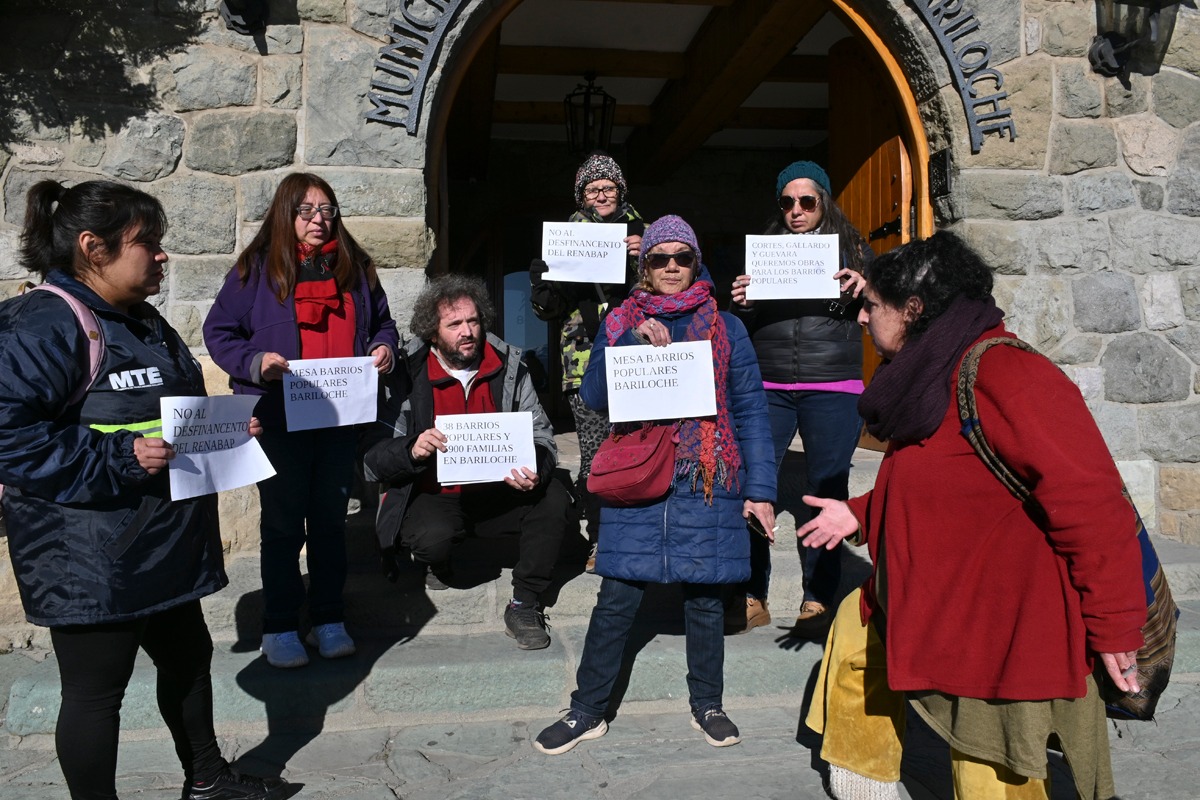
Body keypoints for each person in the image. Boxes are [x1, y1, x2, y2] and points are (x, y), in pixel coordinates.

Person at [796, 232, 1145, 800]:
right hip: (930, 589)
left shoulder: (1008, 373)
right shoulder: (929, 374)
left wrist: (1114, 622)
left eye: (872, 306)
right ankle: (865, 776)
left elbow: (1091, 501)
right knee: (855, 637)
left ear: (912, 309)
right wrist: (859, 513)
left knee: (992, 763)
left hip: (998, 616)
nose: (861, 317)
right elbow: (939, 479)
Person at [0, 179, 282, 800]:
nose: (162, 256)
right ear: (92, 248)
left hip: (161, 539)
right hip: (89, 554)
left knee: (188, 661)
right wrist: (118, 458)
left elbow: (160, 409)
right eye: (147, 242)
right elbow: (12, 438)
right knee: (97, 692)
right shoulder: (41, 324)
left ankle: (207, 780)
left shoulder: (142, 319)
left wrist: (225, 427)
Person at [534, 215, 777, 755]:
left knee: (706, 599)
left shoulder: (726, 326)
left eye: (682, 257)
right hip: (639, 473)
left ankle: (707, 704)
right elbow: (594, 397)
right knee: (616, 596)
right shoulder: (620, 319)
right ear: (644, 265)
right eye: (660, 258)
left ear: (696, 262)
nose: (671, 267)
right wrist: (625, 344)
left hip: (706, 476)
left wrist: (761, 490)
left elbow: (752, 412)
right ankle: (586, 710)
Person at [204, 172, 398, 669]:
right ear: (285, 214)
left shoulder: (357, 268)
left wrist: (383, 349)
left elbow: (383, 324)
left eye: (327, 210)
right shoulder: (255, 270)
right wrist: (255, 363)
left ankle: (329, 619)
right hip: (279, 419)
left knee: (330, 522)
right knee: (284, 525)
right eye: (307, 210)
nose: (318, 219)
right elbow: (220, 331)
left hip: (338, 421)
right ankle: (280, 625)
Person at [361, 275, 572, 650]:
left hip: (499, 491)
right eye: (454, 324)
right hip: (434, 493)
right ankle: (436, 561)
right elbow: (372, 457)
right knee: (432, 540)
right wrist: (411, 449)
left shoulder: (510, 366)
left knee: (553, 495)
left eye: (473, 321)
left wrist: (535, 468)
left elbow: (542, 434)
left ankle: (525, 601)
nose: (467, 332)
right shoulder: (406, 374)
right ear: (432, 332)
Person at [727, 160, 873, 637]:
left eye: (806, 201)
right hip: (769, 386)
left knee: (825, 491)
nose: (795, 210)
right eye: (787, 202)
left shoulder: (855, 252)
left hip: (832, 385)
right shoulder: (763, 255)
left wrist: (867, 290)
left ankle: (818, 597)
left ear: (823, 202)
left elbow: (891, 314)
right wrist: (741, 305)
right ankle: (753, 594)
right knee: (753, 484)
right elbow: (744, 330)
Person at [529, 152, 644, 570]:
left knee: (636, 449)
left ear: (621, 191)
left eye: (609, 187)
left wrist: (642, 256)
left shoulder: (645, 232)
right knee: (596, 454)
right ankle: (600, 539)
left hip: (638, 361)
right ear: (581, 196)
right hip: (583, 363)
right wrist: (542, 284)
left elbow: (668, 287)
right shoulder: (565, 238)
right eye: (593, 189)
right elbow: (549, 309)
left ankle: (635, 532)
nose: (601, 195)